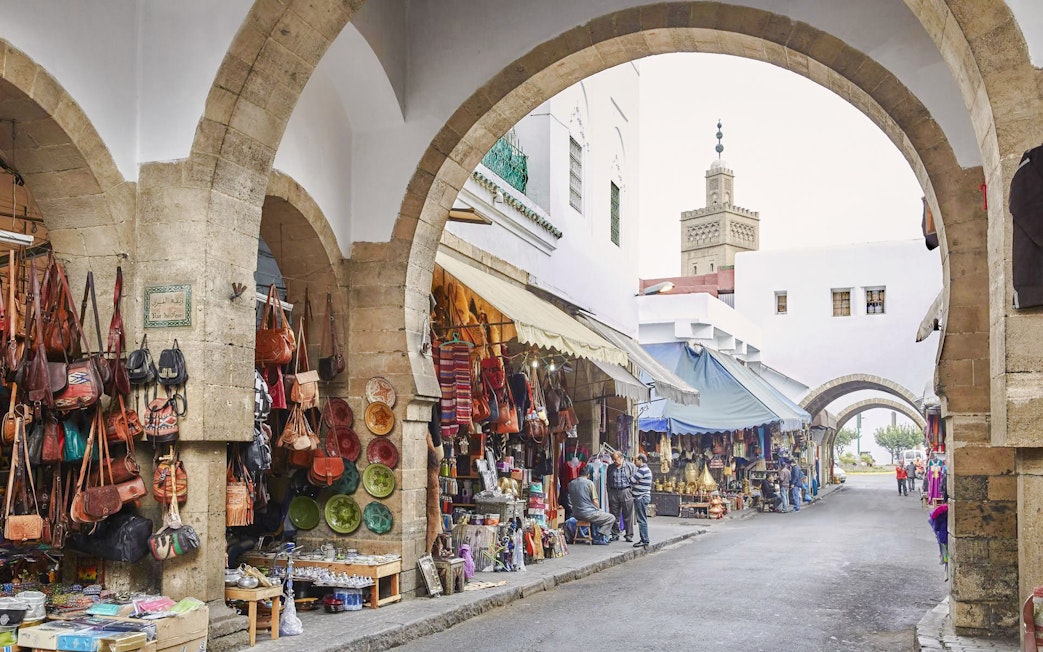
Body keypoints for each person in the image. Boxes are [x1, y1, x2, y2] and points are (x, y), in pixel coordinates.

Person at [567, 465, 616, 544]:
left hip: (576, 513)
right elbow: (595, 501)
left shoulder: (571, 484)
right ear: (588, 475)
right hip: (588, 513)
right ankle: (600, 535)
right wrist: (598, 509)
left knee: (597, 515)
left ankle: (595, 534)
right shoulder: (589, 483)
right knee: (611, 518)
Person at [606, 451, 636, 542]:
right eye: (613, 459)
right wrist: (609, 492)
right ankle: (615, 533)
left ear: (621, 457)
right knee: (614, 514)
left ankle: (629, 534)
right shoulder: (611, 467)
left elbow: (635, 480)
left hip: (626, 491)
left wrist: (631, 492)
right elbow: (608, 480)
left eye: (615, 459)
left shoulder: (630, 466)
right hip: (614, 491)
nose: (614, 461)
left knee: (628, 514)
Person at [631, 454, 653, 548]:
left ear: (640, 460)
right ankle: (644, 539)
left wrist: (636, 481)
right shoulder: (646, 470)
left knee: (641, 519)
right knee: (642, 519)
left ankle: (645, 540)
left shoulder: (642, 470)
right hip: (643, 497)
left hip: (641, 497)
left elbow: (631, 480)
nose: (634, 462)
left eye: (636, 460)